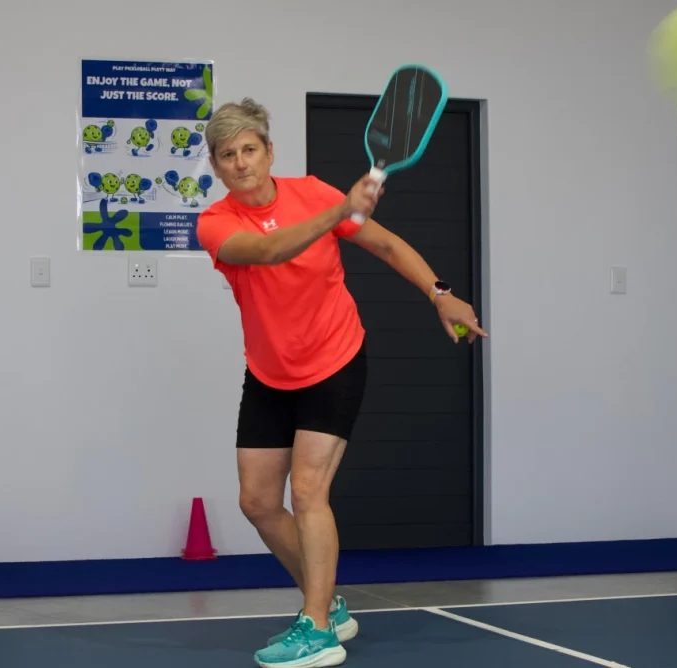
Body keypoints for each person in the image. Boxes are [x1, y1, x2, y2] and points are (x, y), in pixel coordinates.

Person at [195, 98, 487, 668]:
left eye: (250, 149)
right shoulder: (216, 222)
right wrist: (339, 212)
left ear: (269, 152)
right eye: (227, 155)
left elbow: (386, 243)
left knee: (307, 491)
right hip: (269, 372)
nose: (241, 162)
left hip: (333, 361)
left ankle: (318, 628)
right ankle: (326, 601)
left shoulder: (312, 193)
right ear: (217, 166)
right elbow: (269, 250)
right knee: (258, 502)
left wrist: (439, 293)